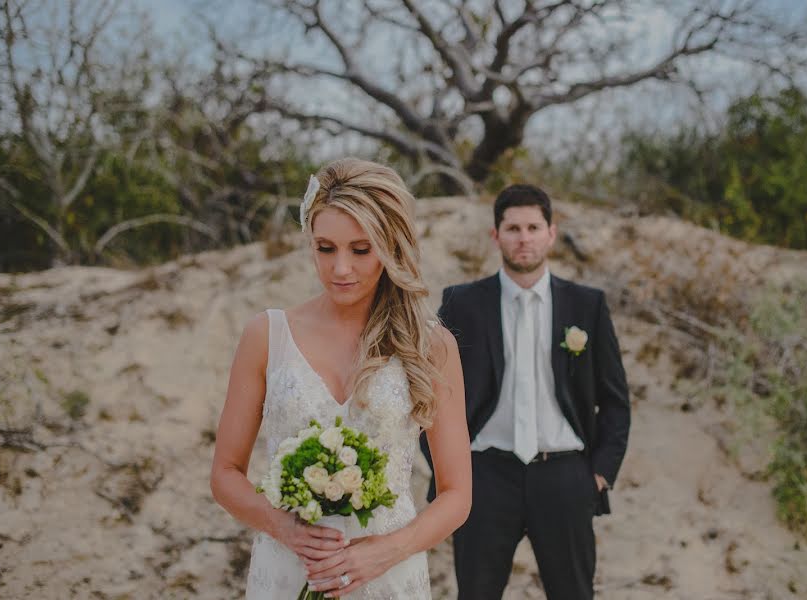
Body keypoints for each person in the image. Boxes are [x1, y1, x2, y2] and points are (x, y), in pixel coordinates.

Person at [211, 158, 471, 599]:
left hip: (388, 576)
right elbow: (225, 474)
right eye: (325, 248)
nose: (341, 268)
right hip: (288, 568)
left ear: (391, 246)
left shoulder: (431, 345)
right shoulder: (266, 335)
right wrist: (284, 528)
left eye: (361, 249)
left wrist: (386, 551)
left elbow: (457, 494)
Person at [422, 184, 631, 600]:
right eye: (513, 227)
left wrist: (600, 475)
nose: (524, 238)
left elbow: (614, 400)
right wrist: (448, 471)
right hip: (483, 476)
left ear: (551, 233)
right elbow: (430, 394)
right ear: (495, 235)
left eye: (534, 227)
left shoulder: (587, 305)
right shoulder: (462, 302)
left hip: (566, 475)